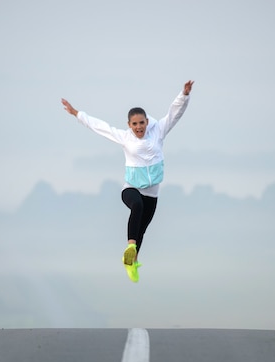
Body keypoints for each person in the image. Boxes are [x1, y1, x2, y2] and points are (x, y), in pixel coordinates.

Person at [61, 80, 194, 282]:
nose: (138, 127)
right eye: (134, 124)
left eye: (141, 123)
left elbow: (175, 113)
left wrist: (183, 95)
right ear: (129, 125)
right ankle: (129, 246)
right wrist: (76, 113)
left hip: (152, 194)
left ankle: (131, 262)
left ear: (147, 122)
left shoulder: (159, 131)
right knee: (137, 207)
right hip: (131, 189)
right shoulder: (125, 137)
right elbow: (100, 127)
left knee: (141, 231)